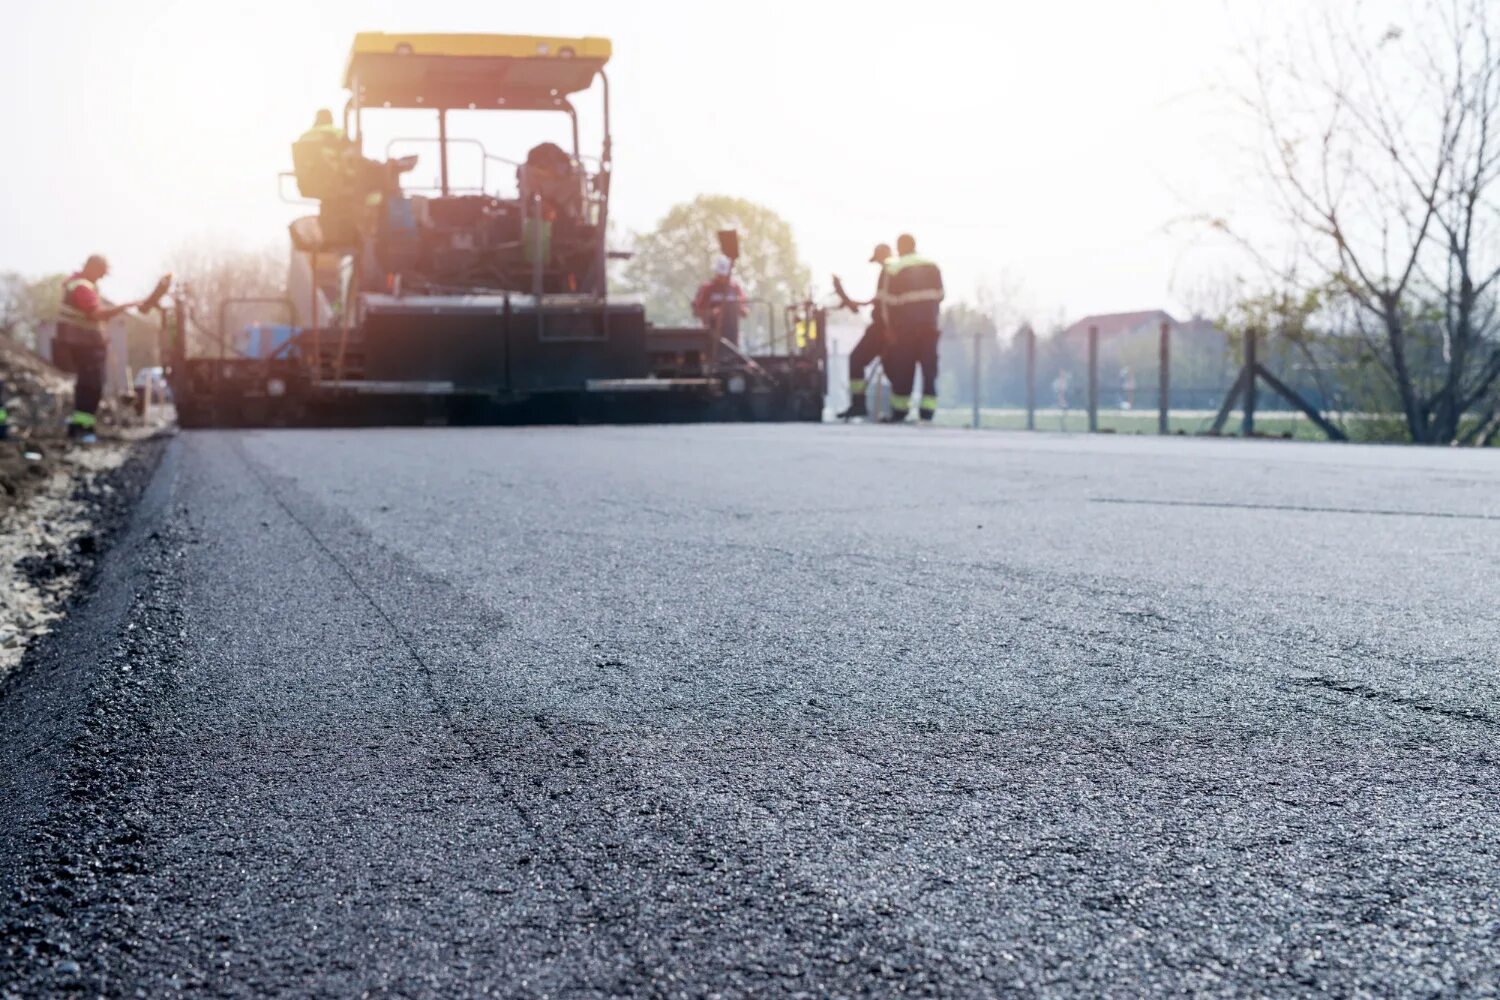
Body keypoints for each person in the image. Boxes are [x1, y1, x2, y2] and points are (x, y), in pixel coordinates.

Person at [54, 255, 137, 443]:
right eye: (100, 273)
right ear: (92, 268)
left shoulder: (76, 284)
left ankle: (80, 427)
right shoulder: (82, 286)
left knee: (87, 384)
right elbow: (96, 314)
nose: (100, 278)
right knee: (92, 386)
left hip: (82, 343)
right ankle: (83, 429)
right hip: (83, 344)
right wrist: (123, 307)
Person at [878, 233, 944, 422]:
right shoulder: (932, 265)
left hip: (905, 328)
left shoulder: (894, 268)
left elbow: (888, 303)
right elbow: (940, 295)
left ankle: (900, 411)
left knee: (903, 369)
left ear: (899, 247)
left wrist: (889, 328)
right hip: (929, 327)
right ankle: (927, 412)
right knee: (929, 369)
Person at [836, 243, 894, 420]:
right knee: (891, 367)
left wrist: (887, 328)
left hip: (882, 328)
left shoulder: (889, 271)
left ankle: (859, 404)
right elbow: (878, 300)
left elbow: (885, 303)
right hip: (887, 327)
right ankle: (893, 410)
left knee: (857, 359)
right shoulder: (890, 272)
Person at [692, 254, 749, 348]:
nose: (723, 278)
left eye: (725, 276)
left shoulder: (735, 288)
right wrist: (712, 313)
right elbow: (697, 311)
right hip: (711, 336)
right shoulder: (707, 288)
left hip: (732, 337)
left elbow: (745, 311)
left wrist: (739, 309)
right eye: (720, 275)